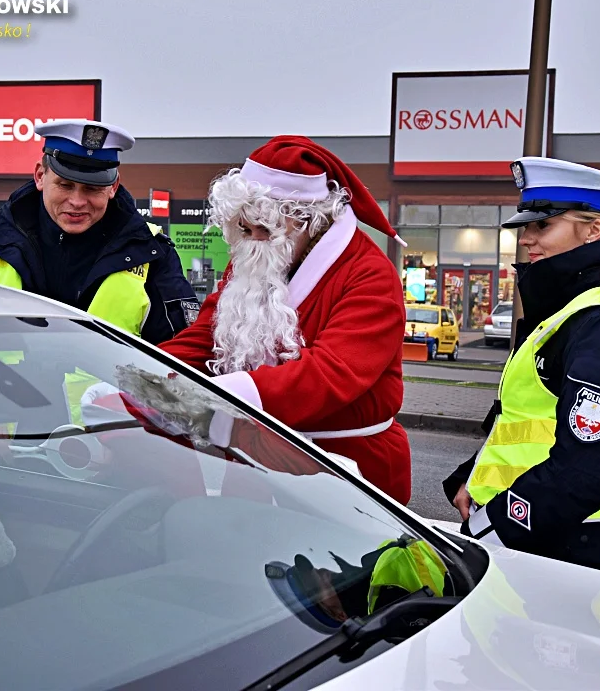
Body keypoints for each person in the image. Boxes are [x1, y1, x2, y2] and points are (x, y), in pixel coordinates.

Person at [442, 156, 600, 577]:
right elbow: (531, 420)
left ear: (594, 231)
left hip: (566, 542)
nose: (526, 239)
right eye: (525, 226)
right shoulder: (572, 309)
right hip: (534, 534)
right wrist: (472, 475)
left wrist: (489, 530)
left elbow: (585, 468)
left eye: (542, 225)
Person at [157, 135, 413, 505]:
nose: (254, 241)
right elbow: (207, 336)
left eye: (267, 230)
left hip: (347, 474)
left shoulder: (370, 274)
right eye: (245, 229)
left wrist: (219, 401)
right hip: (255, 467)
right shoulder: (257, 254)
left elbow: (330, 374)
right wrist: (144, 370)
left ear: (310, 220)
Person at [0, 119, 200, 345]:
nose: (77, 201)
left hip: (107, 400)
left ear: (113, 187)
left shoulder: (153, 255)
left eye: (92, 189)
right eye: (65, 185)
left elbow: (177, 359)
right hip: (2, 396)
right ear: (39, 176)